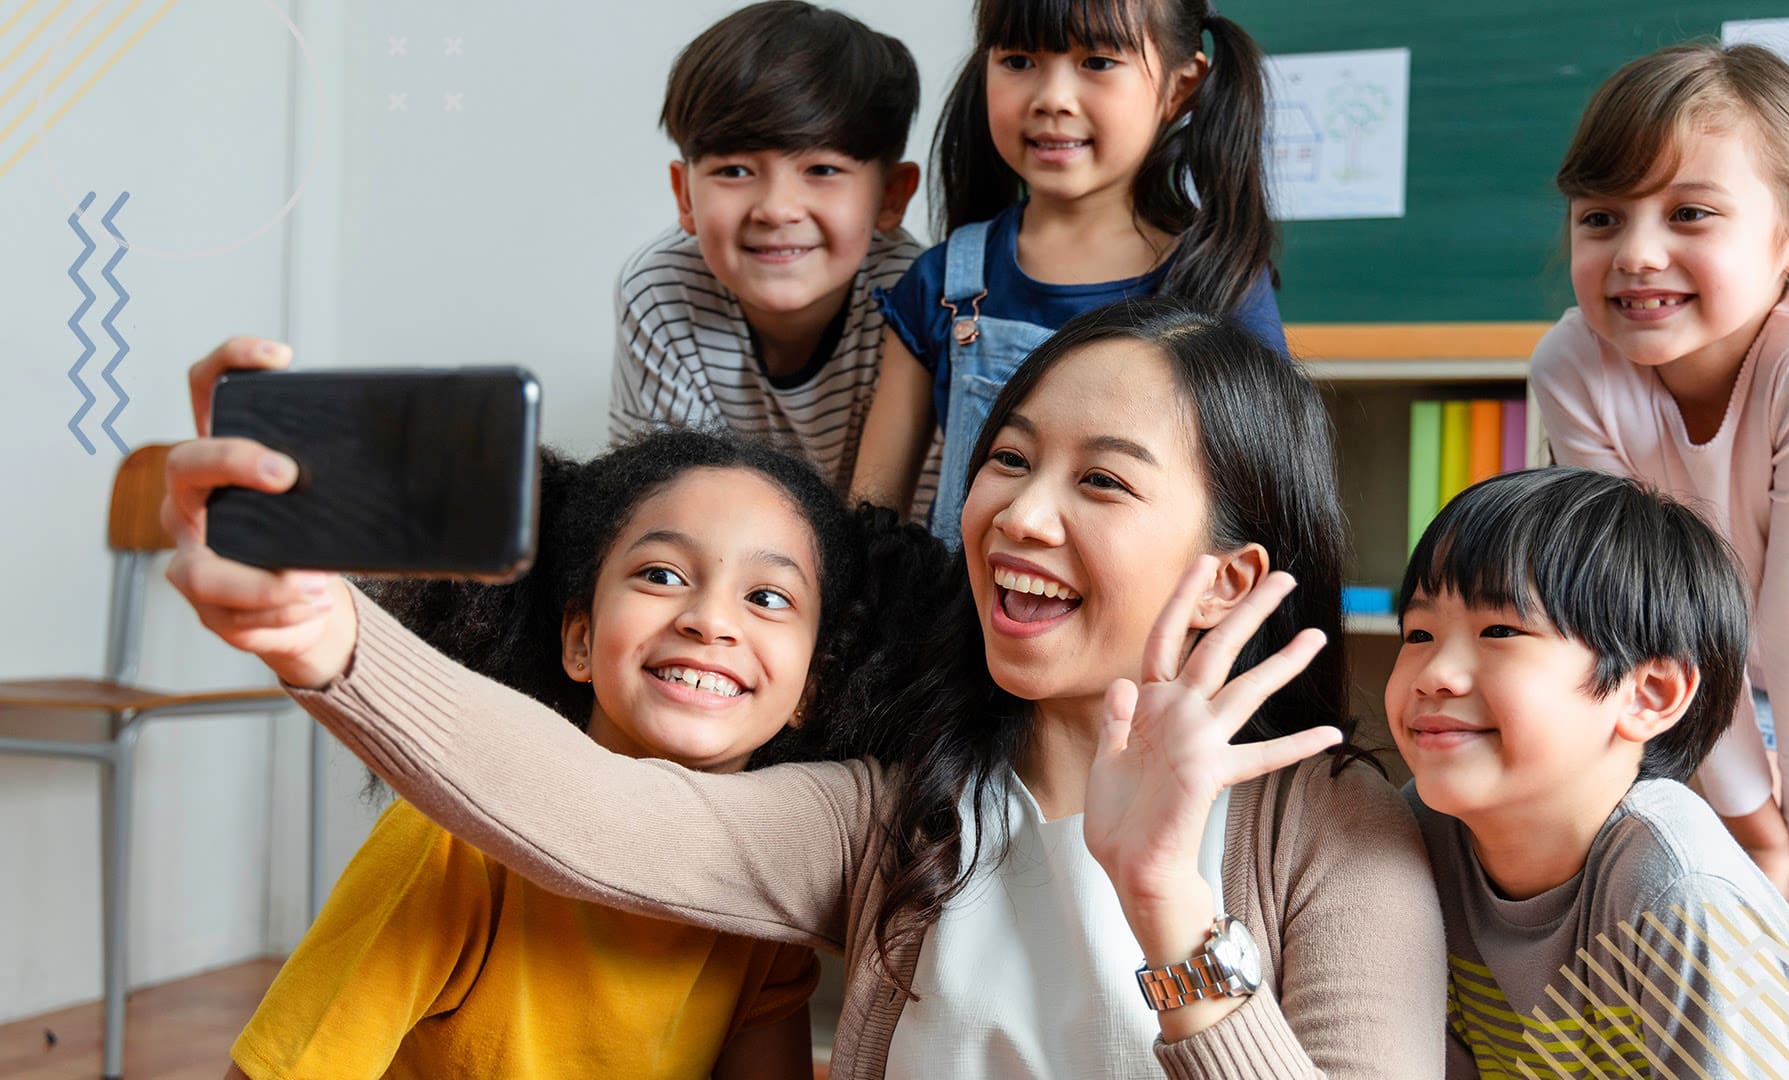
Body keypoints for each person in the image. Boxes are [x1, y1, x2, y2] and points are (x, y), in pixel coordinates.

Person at [166, 302, 1446, 1078]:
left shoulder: (1338, 833)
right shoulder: (905, 811)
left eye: (1101, 482)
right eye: (1007, 459)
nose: (1017, 514)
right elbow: (607, 814)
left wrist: (1165, 899)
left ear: (1228, 580)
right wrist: (327, 636)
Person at [213, 391, 946, 1078]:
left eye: (766, 596)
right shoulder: (448, 849)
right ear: (580, 641)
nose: (710, 620)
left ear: (809, 691)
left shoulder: (765, 909)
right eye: (661, 575)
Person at [1530, 42, 1789, 1065]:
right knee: (1738, 924)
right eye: (1601, 217)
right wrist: (1756, 831)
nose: (1636, 254)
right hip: (1693, 685)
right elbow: (1656, 613)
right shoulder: (1574, 361)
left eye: (1689, 214)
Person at [1390, 467, 1789, 1077]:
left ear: (1648, 694)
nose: (1434, 672)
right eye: (1418, 633)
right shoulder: (1416, 835)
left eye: (1500, 630)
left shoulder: (1677, 886)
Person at [850, 0, 1287, 543]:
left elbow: (1264, 517)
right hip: (958, 624)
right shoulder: (941, 282)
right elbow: (871, 525)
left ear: (1181, 87)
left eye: (1098, 61)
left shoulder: (1221, 285)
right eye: (1018, 60)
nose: (1052, 98)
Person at [611, 1, 939, 514]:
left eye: (823, 170)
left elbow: (913, 534)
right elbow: (661, 506)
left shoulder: (918, 302)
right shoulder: (661, 291)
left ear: (892, 195)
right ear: (684, 196)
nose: (777, 209)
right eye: (736, 171)